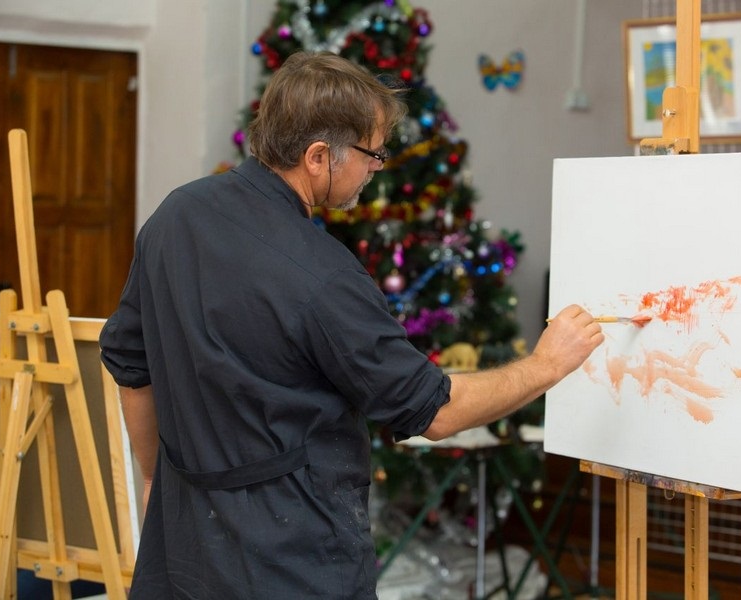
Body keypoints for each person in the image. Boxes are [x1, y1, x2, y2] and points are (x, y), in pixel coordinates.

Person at [99, 51, 604, 599]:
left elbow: (129, 363)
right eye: (372, 153)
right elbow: (436, 412)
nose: (377, 168)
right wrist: (547, 364)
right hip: (292, 565)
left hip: (183, 547)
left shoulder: (176, 214)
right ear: (318, 157)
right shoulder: (322, 276)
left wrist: (152, 476)